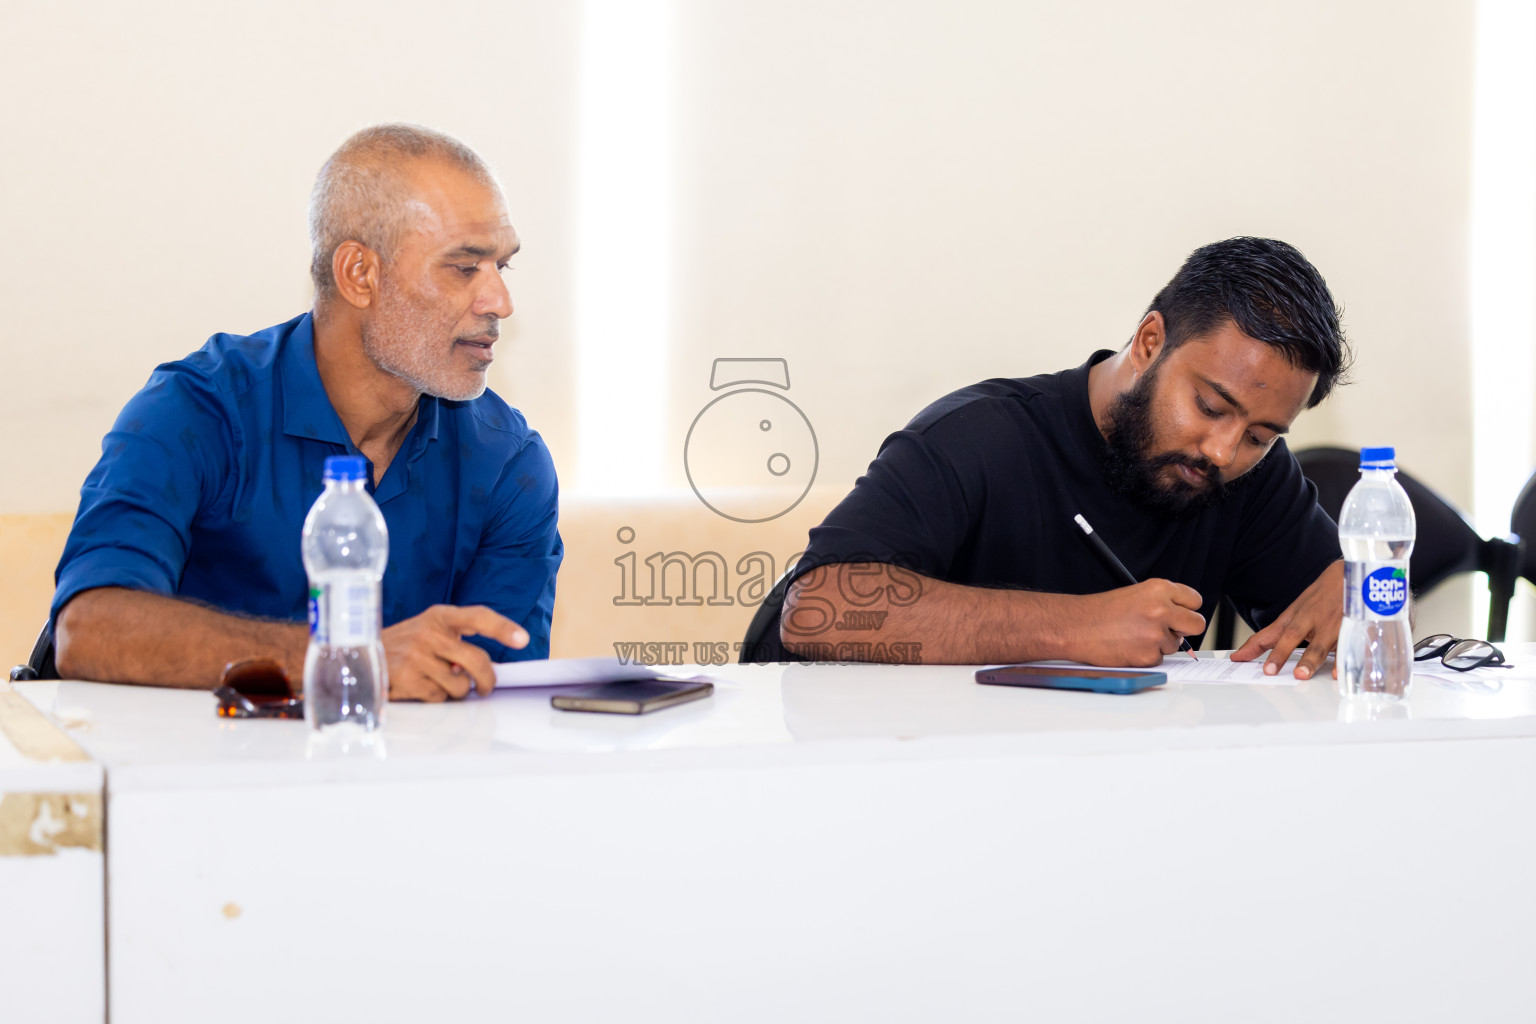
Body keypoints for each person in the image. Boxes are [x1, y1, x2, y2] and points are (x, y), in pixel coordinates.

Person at [51, 124, 562, 701]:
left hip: (400, 784)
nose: (500, 302)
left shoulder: (509, 464)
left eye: (503, 267)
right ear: (359, 275)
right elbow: (91, 629)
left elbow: (490, 699)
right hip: (194, 783)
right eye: (464, 267)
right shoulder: (198, 411)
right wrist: (348, 662)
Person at [773, 237, 1349, 680]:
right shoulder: (981, 436)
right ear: (1150, 343)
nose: (1224, 450)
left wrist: (1364, 592)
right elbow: (819, 606)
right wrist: (1078, 627)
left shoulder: (1247, 475)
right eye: (1208, 405)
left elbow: (1353, 598)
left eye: (1261, 436)